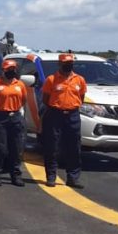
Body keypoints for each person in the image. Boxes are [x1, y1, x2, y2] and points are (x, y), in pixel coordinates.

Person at [41, 53, 87, 189]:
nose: (68, 65)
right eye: (65, 63)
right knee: (52, 147)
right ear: (59, 64)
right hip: (55, 114)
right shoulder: (51, 79)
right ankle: (51, 177)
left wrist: (70, 107)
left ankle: (73, 177)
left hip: (72, 116)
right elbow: (45, 99)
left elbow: (81, 97)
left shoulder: (79, 80)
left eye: (70, 63)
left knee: (74, 147)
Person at [0, 60, 28, 187]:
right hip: (0, 118)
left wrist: (15, 110)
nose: (12, 71)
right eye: (9, 69)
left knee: (16, 148)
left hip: (16, 117)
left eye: (13, 69)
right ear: (3, 70)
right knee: (0, 148)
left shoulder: (20, 84)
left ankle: (16, 175)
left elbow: (24, 100)